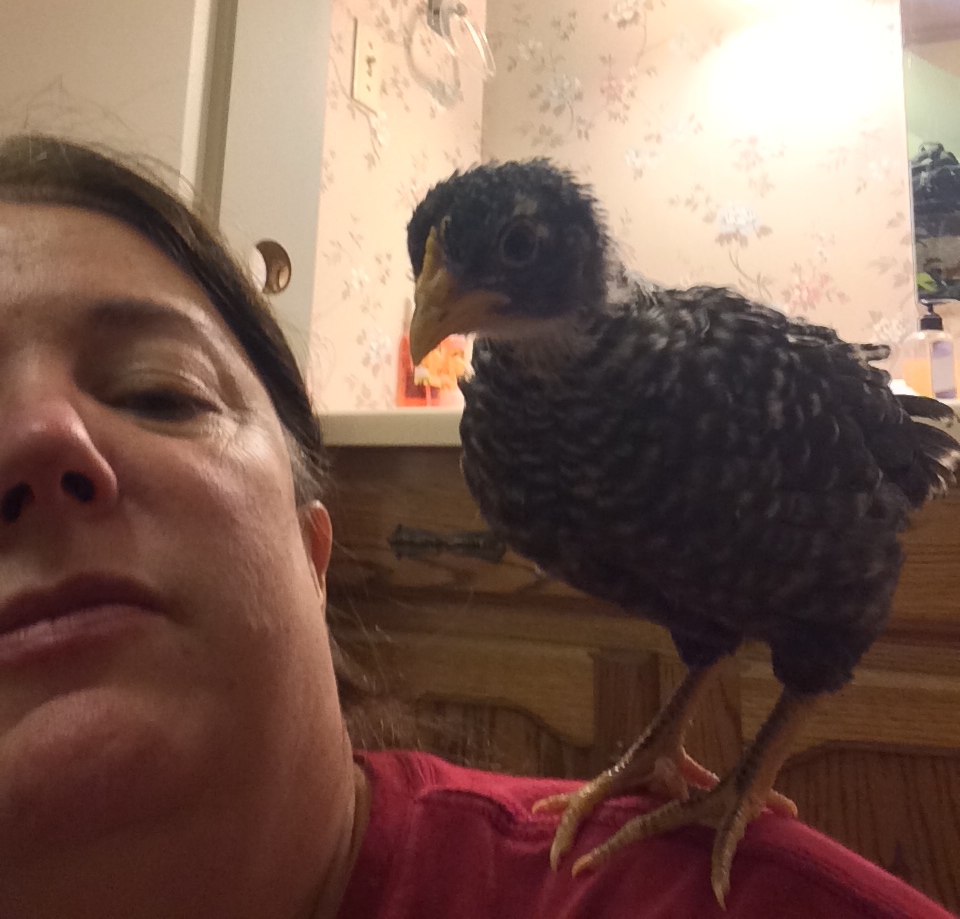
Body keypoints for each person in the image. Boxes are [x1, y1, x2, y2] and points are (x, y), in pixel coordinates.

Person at [0, 132, 950, 919]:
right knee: (702, 632)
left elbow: (851, 561)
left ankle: (736, 782)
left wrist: (743, 786)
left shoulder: (722, 377)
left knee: (801, 647)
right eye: (434, 271)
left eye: (159, 391)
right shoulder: (507, 437)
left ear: (313, 548)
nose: (42, 441)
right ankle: (656, 751)